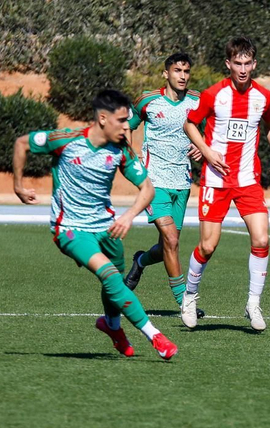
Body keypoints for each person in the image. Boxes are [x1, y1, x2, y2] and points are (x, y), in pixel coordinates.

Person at [11, 88, 178, 361]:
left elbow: (147, 189)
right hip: (70, 228)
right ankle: (155, 336)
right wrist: (18, 185)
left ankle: (112, 326)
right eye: (122, 120)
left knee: (115, 281)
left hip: (107, 227)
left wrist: (128, 215)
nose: (127, 127)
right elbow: (22, 143)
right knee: (111, 276)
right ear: (102, 118)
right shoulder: (66, 140)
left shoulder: (121, 151)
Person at [182, 36, 270, 332]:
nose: (242, 69)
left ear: (254, 64)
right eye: (237, 63)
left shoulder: (263, 97)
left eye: (247, 63)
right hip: (215, 181)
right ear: (228, 64)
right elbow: (190, 124)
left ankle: (253, 303)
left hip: (247, 181)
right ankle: (189, 297)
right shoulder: (214, 94)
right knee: (208, 245)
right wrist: (206, 151)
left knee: (262, 240)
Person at [123, 52, 203, 320]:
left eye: (187, 71)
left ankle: (140, 261)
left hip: (182, 183)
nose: (182, 76)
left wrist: (201, 147)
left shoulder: (197, 101)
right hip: (154, 182)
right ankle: (184, 302)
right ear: (165, 74)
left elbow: (211, 129)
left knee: (167, 245)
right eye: (177, 70)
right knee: (171, 240)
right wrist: (132, 159)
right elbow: (127, 127)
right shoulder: (148, 100)